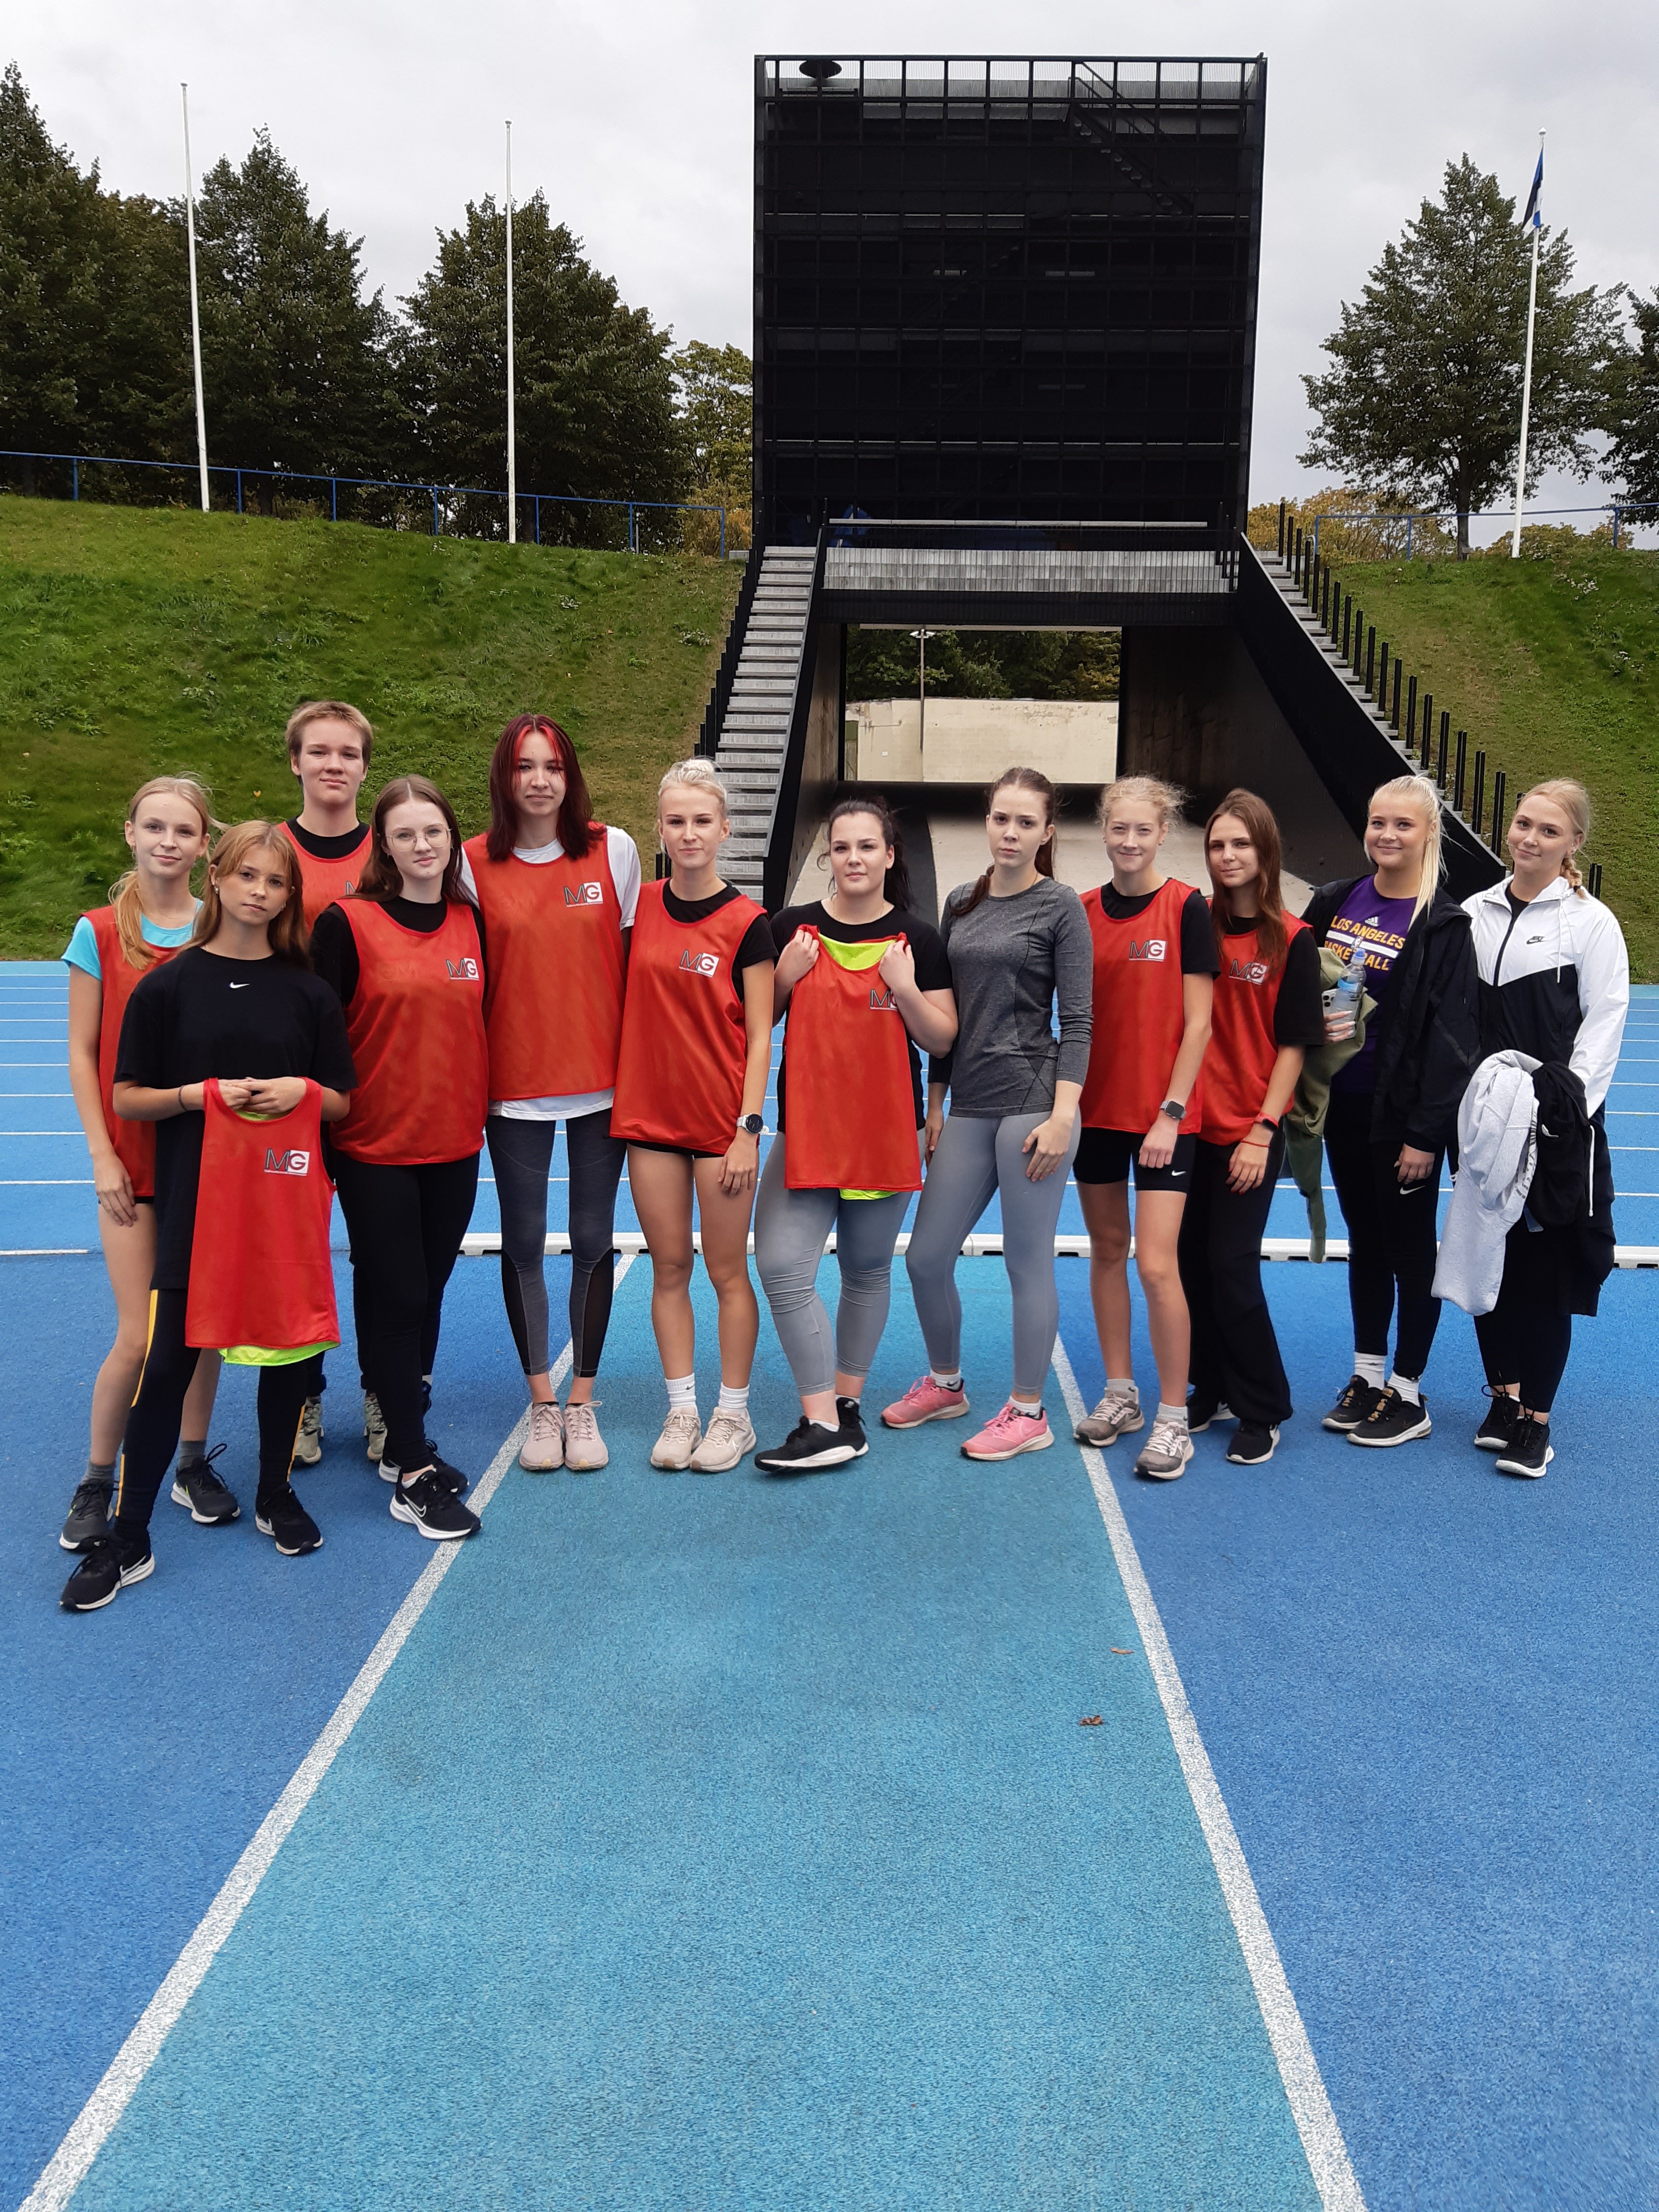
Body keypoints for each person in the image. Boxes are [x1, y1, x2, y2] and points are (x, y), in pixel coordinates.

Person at [60, 822, 355, 1612]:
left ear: (289, 897)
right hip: (198, 1208)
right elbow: (128, 1097)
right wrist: (196, 1096)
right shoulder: (168, 987)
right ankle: (129, 1534)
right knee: (166, 1365)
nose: (260, 891)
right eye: (247, 875)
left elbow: (339, 1100)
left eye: (276, 881)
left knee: (286, 1357)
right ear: (216, 878)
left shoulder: (309, 993)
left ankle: (274, 1493)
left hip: (284, 1208)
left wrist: (301, 1092)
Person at [884, 766, 1092, 1460]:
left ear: (1047, 831)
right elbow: (947, 1013)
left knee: (1026, 1265)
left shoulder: (1060, 906)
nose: (1011, 832)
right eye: (1002, 818)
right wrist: (934, 1104)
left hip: (1033, 1105)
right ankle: (947, 1385)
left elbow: (1080, 1022)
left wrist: (1063, 1115)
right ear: (987, 821)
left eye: (1026, 822)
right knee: (926, 1258)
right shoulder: (961, 902)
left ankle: (1029, 1411)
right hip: (969, 1102)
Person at [755, 796, 957, 1472]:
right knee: (781, 1266)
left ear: (890, 855)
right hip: (808, 1132)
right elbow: (754, 1022)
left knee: (865, 1271)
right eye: (842, 847)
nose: (854, 859)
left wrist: (905, 989)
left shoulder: (918, 940)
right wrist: (785, 978)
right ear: (828, 856)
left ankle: (844, 1409)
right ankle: (820, 1417)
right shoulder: (792, 928)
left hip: (883, 1134)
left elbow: (941, 1038)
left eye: (868, 846)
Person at [460, 715, 639, 1474]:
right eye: (525, 766)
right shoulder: (470, 863)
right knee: (525, 1240)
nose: (539, 780)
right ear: (504, 777)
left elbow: (631, 965)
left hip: (601, 1085)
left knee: (594, 1239)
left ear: (571, 777)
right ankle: (541, 1400)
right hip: (514, 1087)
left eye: (554, 767)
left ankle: (583, 1400)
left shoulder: (614, 849)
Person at [311, 777, 486, 1541]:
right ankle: (412, 1470)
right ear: (383, 844)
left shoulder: (472, 922)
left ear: (452, 840)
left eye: (434, 832)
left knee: (426, 1292)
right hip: (375, 1146)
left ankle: (398, 1434)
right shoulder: (346, 923)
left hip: (454, 1144)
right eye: (406, 834)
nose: (422, 846)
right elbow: (318, 1034)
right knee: (402, 1293)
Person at [59, 777, 227, 1551]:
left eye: (183, 830)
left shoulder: (219, 924)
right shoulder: (98, 931)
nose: (168, 840)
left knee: (202, 1330)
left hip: (205, 1163)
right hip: (131, 1166)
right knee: (137, 1337)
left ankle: (190, 1462)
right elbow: (82, 1053)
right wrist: (101, 1157)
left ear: (203, 845)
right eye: (154, 826)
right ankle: (98, 1478)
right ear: (130, 832)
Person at [1301, 775, 1481, 1447]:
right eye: (1378, 822)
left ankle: (1408, 1390)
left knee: (1408, 1250)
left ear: (1429, 833)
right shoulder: (1334, 900)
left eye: (1403, 824)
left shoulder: (1443, 924)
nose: (1387, 835)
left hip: (1402, 1120)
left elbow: (1454, 1040)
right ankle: (1368, 1374)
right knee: (1366, 1242)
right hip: (1342, 1106)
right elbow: (1297, 988)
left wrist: (1426, 1134)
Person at [1457, 780, 1628, 1477]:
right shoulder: (1475, 913)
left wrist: (1561, 1111)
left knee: (1543, 1273)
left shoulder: (1590, 924)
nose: (1530, 839)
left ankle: (1537, 1421)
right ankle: (1503, 1398)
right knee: (1485, 1258)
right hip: (1485, 1124)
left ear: (1574, 844)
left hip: (1555, 1129)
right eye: (1524, 824)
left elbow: (1604, 1026)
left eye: (1549, 831)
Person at [612, 761, 774, 1472]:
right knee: (670, 1266)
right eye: (676, 821)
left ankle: (733, 1415)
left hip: (720, 1126)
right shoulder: (639, 906)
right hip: (650, 1119)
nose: (689, 833)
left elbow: (762, 1035)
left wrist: (748, 1130)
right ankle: (682, 1409)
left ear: (725, 829)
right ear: (660, 829)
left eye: (702, 820)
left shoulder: (747, 923)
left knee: (727, 1271)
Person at [1070, 776, 1216, 1480]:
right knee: (1106, 1250)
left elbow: (1200, 1024)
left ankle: (1173, 1417)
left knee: (1157, 1265)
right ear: (1104, 831)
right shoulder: (1081, 911)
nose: (1129, 841)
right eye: (1119, 829)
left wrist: (1170, 1112)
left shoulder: (1187, 908)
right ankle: (1120, 1393)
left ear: (1163, 834)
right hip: (1095, 1113)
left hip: (1164, 1120)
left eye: (1143, 830)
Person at [1178, 791, 1323, 1467]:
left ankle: (1263, 1406)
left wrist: (1263, 1131)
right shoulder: (1195, 924)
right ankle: (1211, 1386)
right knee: (1189, 1264)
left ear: (1266, 852)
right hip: (1189, 1127)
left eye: (1241, 844)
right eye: (1217, 845)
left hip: (1248, 1130)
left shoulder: (1293, 939)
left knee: (1232, 1267)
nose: (1228, 855)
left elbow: (1294, 1045)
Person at [279, 700, 374, 1468]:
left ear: (365, 768)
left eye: (348, 753)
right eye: (320, 752)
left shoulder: (390, 850)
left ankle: (385, 1396)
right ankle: (302, 1399)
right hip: (292, 1092)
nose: (333, 764)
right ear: (296, 762)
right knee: (298, 1255)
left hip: (374, 1086)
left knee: (379, 1256)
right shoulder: (270, 852)